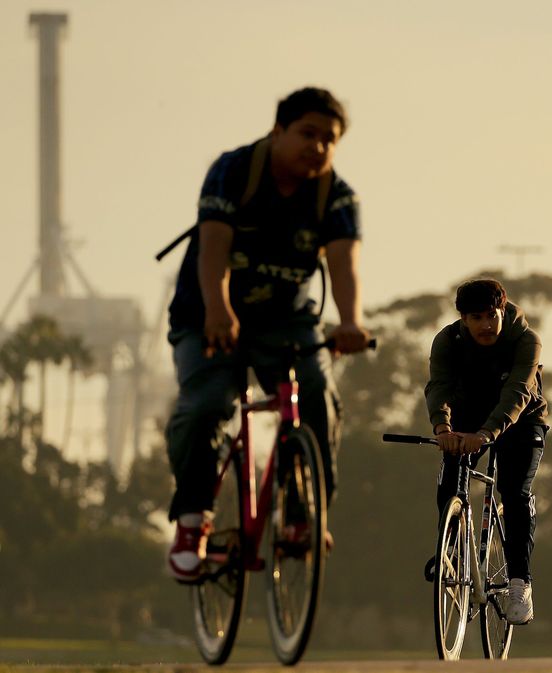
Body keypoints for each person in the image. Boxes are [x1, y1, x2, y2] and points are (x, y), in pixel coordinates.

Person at [164, 87, 371, 582]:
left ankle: (303, 512)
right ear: (277, 131)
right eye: (308, 134)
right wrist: (219, 309)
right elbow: (213, 248)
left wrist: (349, 321)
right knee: (207, 405)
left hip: (287, 320)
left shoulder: (336, 196)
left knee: (317, 394)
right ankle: (193, 520)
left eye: (330, 140)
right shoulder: (233, 171)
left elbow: (344, 264)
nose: (318, 147)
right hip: (208, 313)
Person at [424, 279, 548, 625]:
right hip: (468, 416)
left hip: (522, 420)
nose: (485, 325)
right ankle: (449, 549)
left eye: (491, 316)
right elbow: (439, 387)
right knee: (451, 471)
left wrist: (487, 433)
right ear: (463, 318)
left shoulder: (526, 340)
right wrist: (442, 428)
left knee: (514, 491)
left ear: (503, 310)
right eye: (475, 318)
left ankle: (520, 583)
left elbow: (517, 393)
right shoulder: (447, 341)